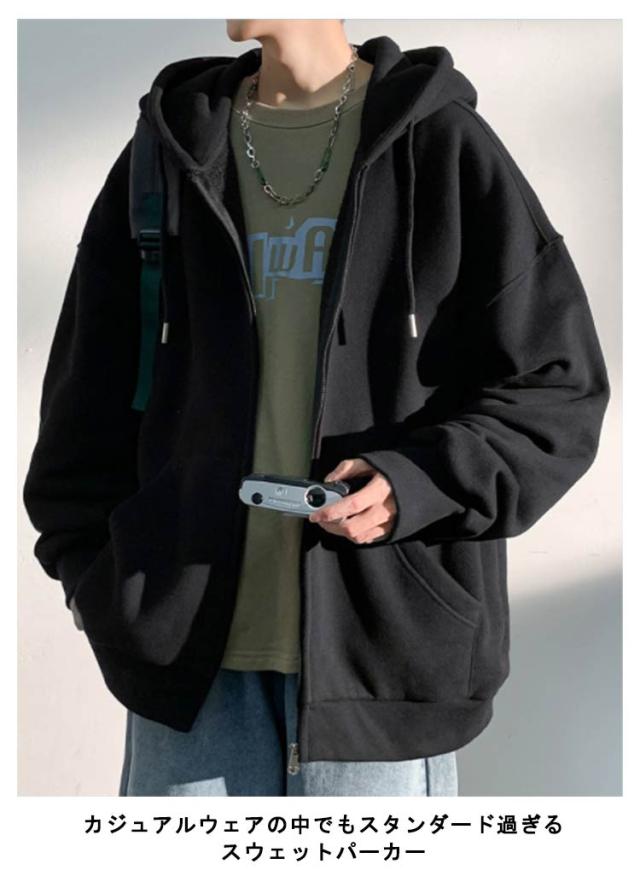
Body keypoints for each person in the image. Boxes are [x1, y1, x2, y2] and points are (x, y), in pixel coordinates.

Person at [22, 21, 610, 797]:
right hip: (187, 663)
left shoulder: (441, 144)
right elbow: (87, 389)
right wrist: (92, 578)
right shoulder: (169, 151)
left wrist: (415, 484)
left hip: (383, 663)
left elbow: (556, 387)